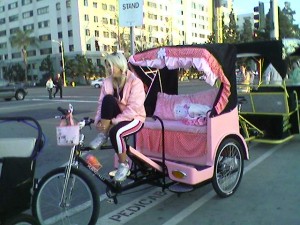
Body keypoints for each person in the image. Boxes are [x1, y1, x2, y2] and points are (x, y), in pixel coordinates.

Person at [89, 52, 146, 182]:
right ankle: (103, 135)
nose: (109, 69)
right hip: (118, 115)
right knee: (108, 99)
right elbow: (101, 103)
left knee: (115, 132)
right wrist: (99, 120)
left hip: (135, 118)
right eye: (107, 66)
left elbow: (133, 108)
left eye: (111, 65)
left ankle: (124, 164)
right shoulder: (107, 81)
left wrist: (113, 122)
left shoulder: (135, 82)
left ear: (120, 65)